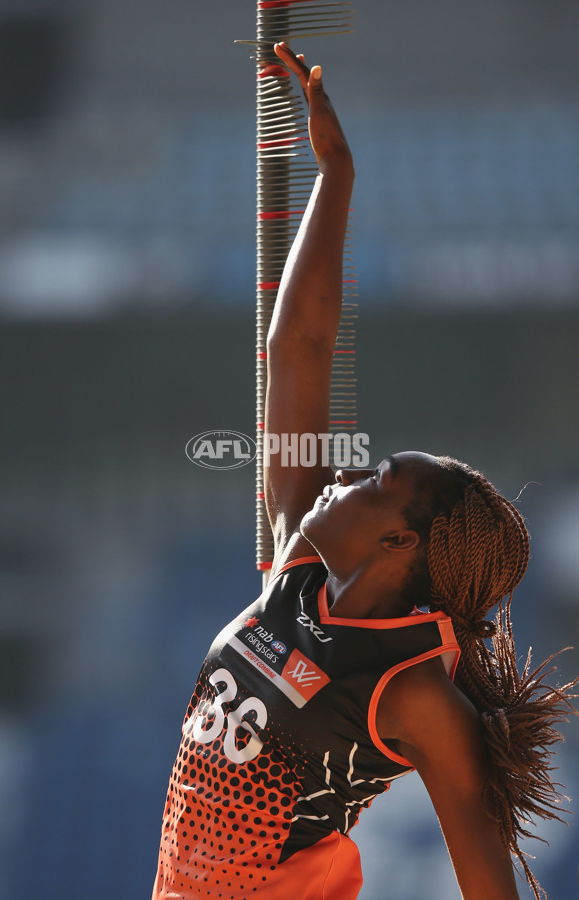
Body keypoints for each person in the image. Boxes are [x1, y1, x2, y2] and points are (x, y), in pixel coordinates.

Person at [152, 44, 576, 900]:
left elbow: (491, 885)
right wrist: (336, 174)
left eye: (374, 476)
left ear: (399, 538)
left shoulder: (411, 691)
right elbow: (295, 348)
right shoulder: (298, 570)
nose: (341, 475)